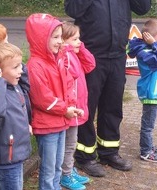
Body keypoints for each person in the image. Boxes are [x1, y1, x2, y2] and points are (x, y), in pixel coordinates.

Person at [64, 0, 151, 177]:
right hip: (90, 56)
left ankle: (109, 152)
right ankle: (85, 156)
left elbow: (143, 8)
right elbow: (72, 9)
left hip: (117, 55)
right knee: (86, 107)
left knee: (112, 107)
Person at [25, 13, 82, 190]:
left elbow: (67, 85)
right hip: (47, 125)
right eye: (55, 37)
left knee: (57, 166)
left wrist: (71, 105)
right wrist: (65, 109)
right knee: (49, 169)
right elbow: (43, 98)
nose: (60, 41)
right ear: (41, 39)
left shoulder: (57, 60)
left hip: (60, 122)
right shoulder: (35, 65)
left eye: (60, 36)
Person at [0, 42, 32, 190]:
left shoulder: (15, 86)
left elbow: (21, 106)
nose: (21, 70)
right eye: (15, 67)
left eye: (20, 65)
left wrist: (25, 124)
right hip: (6, 157)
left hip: (16, 153)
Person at [128, 19, 157, 163]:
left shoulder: (151, 47)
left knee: (150, 124)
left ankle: (149, 146)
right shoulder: (145, 53)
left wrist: (156, 42)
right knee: (147, 125)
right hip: (151, 93)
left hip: (155, 93)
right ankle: (146, 152)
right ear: (149, 37)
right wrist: (155, 44)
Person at [60, 21, 96, 190]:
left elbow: (90, 64)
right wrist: (67, 51)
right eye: (75, 39)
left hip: (77, 106)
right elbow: (71, 73)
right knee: (69, 144)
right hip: (70, 108)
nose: (79, 42)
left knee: (71, 143)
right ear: (63, 41)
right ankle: (65, 175)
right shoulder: (65, 56)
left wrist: (79, 49)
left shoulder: (74, 53)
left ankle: (69, 169)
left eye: (79, 39)